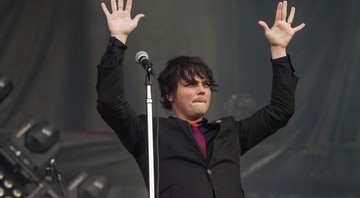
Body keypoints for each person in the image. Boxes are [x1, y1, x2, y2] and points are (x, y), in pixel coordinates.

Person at [96, 0, 305, 197]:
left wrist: (279, 51)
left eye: (206, 84)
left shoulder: (229, 133)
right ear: (169, 93)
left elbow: (280, 111)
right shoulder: (150, 133)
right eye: (191, 84)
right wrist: (118, 40)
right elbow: (111, 103)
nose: (202, 90)